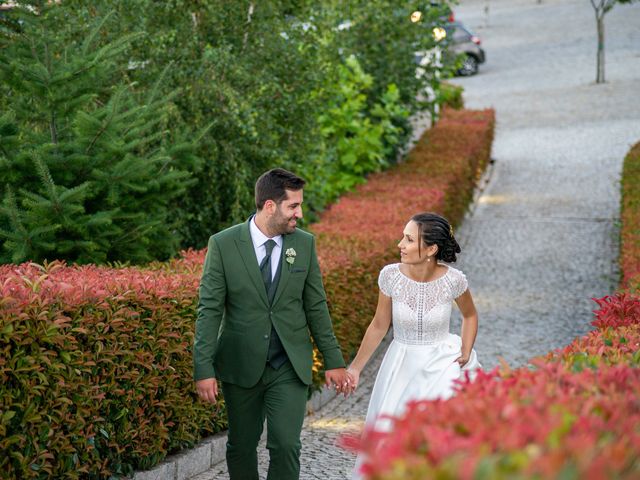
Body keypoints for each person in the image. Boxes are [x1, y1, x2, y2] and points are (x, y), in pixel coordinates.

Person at [193, 168, 351, 480]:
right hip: (241, 363)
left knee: (286, 445)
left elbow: (316, 306)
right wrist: (204, 368)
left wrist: (334, 361)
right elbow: (209, 310)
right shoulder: (223, 245)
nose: (300, 214)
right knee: (241, 445)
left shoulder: (303, 244)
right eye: (293, 206)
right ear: (269, 206)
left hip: (288, 364)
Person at [346, 212, 481, 479]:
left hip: (443, 364)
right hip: (400, 365)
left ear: (431, 249)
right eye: (403, 237)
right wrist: (356, 368)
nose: (400, 244)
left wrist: (466, 349)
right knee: (391, 436)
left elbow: (470, 315)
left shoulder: (453, 281)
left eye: (408, 239)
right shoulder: (390, 277)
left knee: (437, 436)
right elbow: (379, 325)